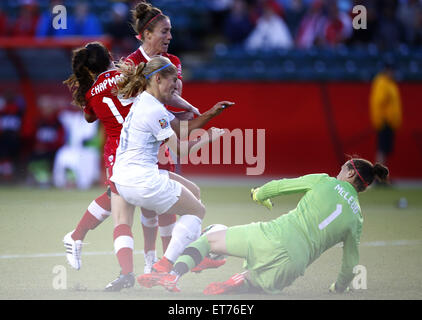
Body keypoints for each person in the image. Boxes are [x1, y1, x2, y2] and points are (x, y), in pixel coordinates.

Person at [62, 41, 231, 271]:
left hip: (130, 145)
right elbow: (173, 117)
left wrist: (91, 87)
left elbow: (90, 117)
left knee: (139, 204)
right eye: (164, 31)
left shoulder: (93, 92)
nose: (169, 36)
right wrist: (196, 112)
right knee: (124, 203)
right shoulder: (130, 77)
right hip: (132, 146)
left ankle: (155, 263)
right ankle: (149, 263)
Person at [137, 158, 389, 294]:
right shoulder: (357, 219)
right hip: (295, 264)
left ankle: (172, 275)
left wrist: (259, 194)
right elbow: (349, 264)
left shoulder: (323, 181)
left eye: (341, 170)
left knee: (209, 238)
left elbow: (281, 186)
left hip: (273, 236)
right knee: (256, 284)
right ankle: (242, 282)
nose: (337, 174)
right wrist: (339, 287)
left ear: (351, 175)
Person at [105, 55, 233, 291]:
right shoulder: (155, 110)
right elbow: (180, 151)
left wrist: (208, 114)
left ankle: (191, 253)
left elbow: (179, 129)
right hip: (141, 181)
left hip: (123, 180)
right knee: (197, 210)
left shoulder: (143, 101)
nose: (176, 86)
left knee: (194, 191)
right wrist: (209, 137)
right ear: (157, 78)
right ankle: (164, 267)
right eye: (173, 81)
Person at [369, 60, 402, 167]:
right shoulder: (382, 83)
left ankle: (382, 176)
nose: (393, 73)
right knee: (382, 149)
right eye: (391, 70)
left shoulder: (390, 83)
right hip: (385, 122)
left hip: (390, 122)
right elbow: (378, 103)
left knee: (385, 150)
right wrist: (380, 120)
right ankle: (379, 176)